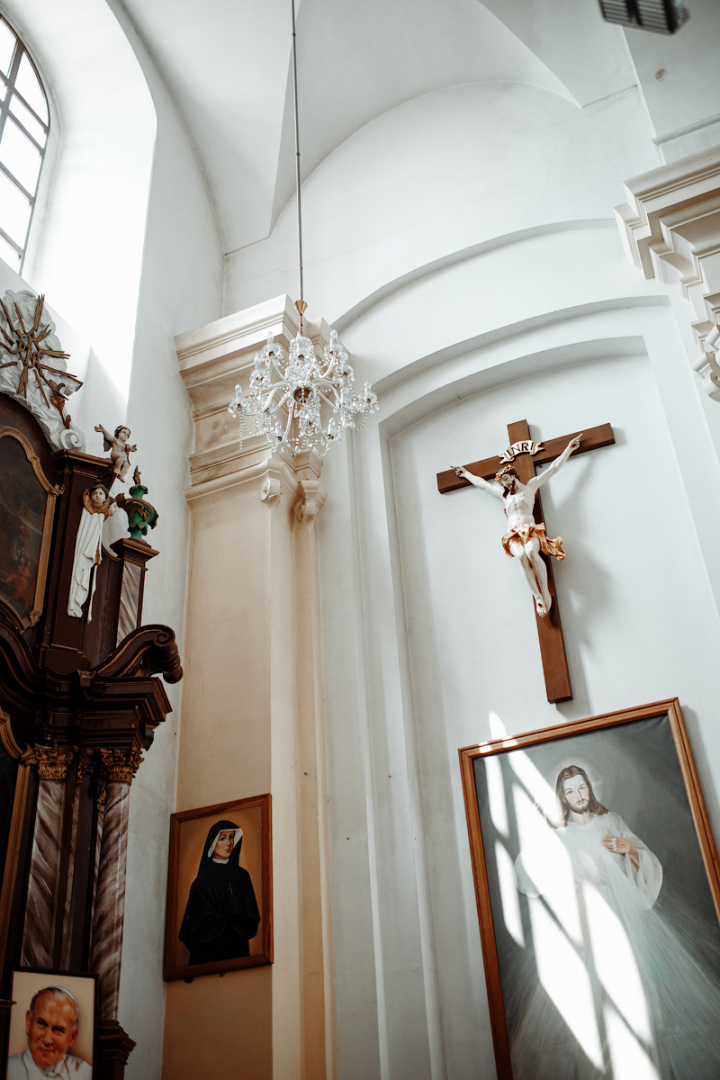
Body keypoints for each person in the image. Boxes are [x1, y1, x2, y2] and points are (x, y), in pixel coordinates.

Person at [509, 764, 720, 1079]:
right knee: (593, 995)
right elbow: (528, 877)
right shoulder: (559, 834)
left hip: (625, 921)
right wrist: (539, 831)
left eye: (582, 787)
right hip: (584, 925)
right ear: (562, 797)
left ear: (590, 789)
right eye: (569, 790)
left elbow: (646, 866)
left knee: (635, 992)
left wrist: (630, 849)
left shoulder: (611, 821)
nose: (578, 795)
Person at [453, 435, 581, 616]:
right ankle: (537, 597)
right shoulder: (505, 496)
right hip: (512, 533)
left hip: (530, 530)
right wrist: (466, 474)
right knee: (521, 556)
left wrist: (569, 448)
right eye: (501, 481)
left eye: (505, 478)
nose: (504, 483)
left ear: (513, 476)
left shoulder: (530, 487)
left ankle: (544, 590)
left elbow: (553, 468)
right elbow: (483, 485)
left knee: (530, 552)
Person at [179, 819, 260, 965]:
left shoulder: (242, 876)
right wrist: (228, 919)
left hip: (237, 949)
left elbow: (251, 920)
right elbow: (196, 927)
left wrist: (233, 921)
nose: (228, 843)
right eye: (223, 838)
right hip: (209, 952)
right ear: (213, 842)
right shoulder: (202, 881)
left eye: (231, 837)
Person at [7, 986, 92, 1079]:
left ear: (72, 1037)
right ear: (29, 1023)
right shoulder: (7, 1069)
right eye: (41, 1024)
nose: (47, 1040)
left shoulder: (86, 1073)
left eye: (58, 1030)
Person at [67, 484, 116, 621]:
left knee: (85, 577)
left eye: (101, 493)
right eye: (95, 493)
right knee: (78, 572)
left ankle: (77, 603)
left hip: (90, 552)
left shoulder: (101, 514)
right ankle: (73, 603)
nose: (98, 495)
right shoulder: (87, 510)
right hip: (82, 549)